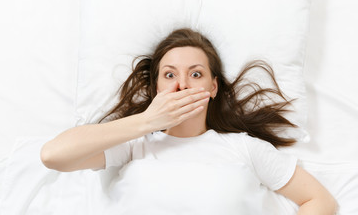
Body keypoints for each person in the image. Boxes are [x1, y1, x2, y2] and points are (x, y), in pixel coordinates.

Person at [41, 28, 337, 214]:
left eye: (196, 74)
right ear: (156, 88)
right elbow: (53, 155)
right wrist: (147, 121)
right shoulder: (134, 144)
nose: (182, 84)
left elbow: (319, 200)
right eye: (169, 75)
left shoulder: (244, 149)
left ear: (213, 87)